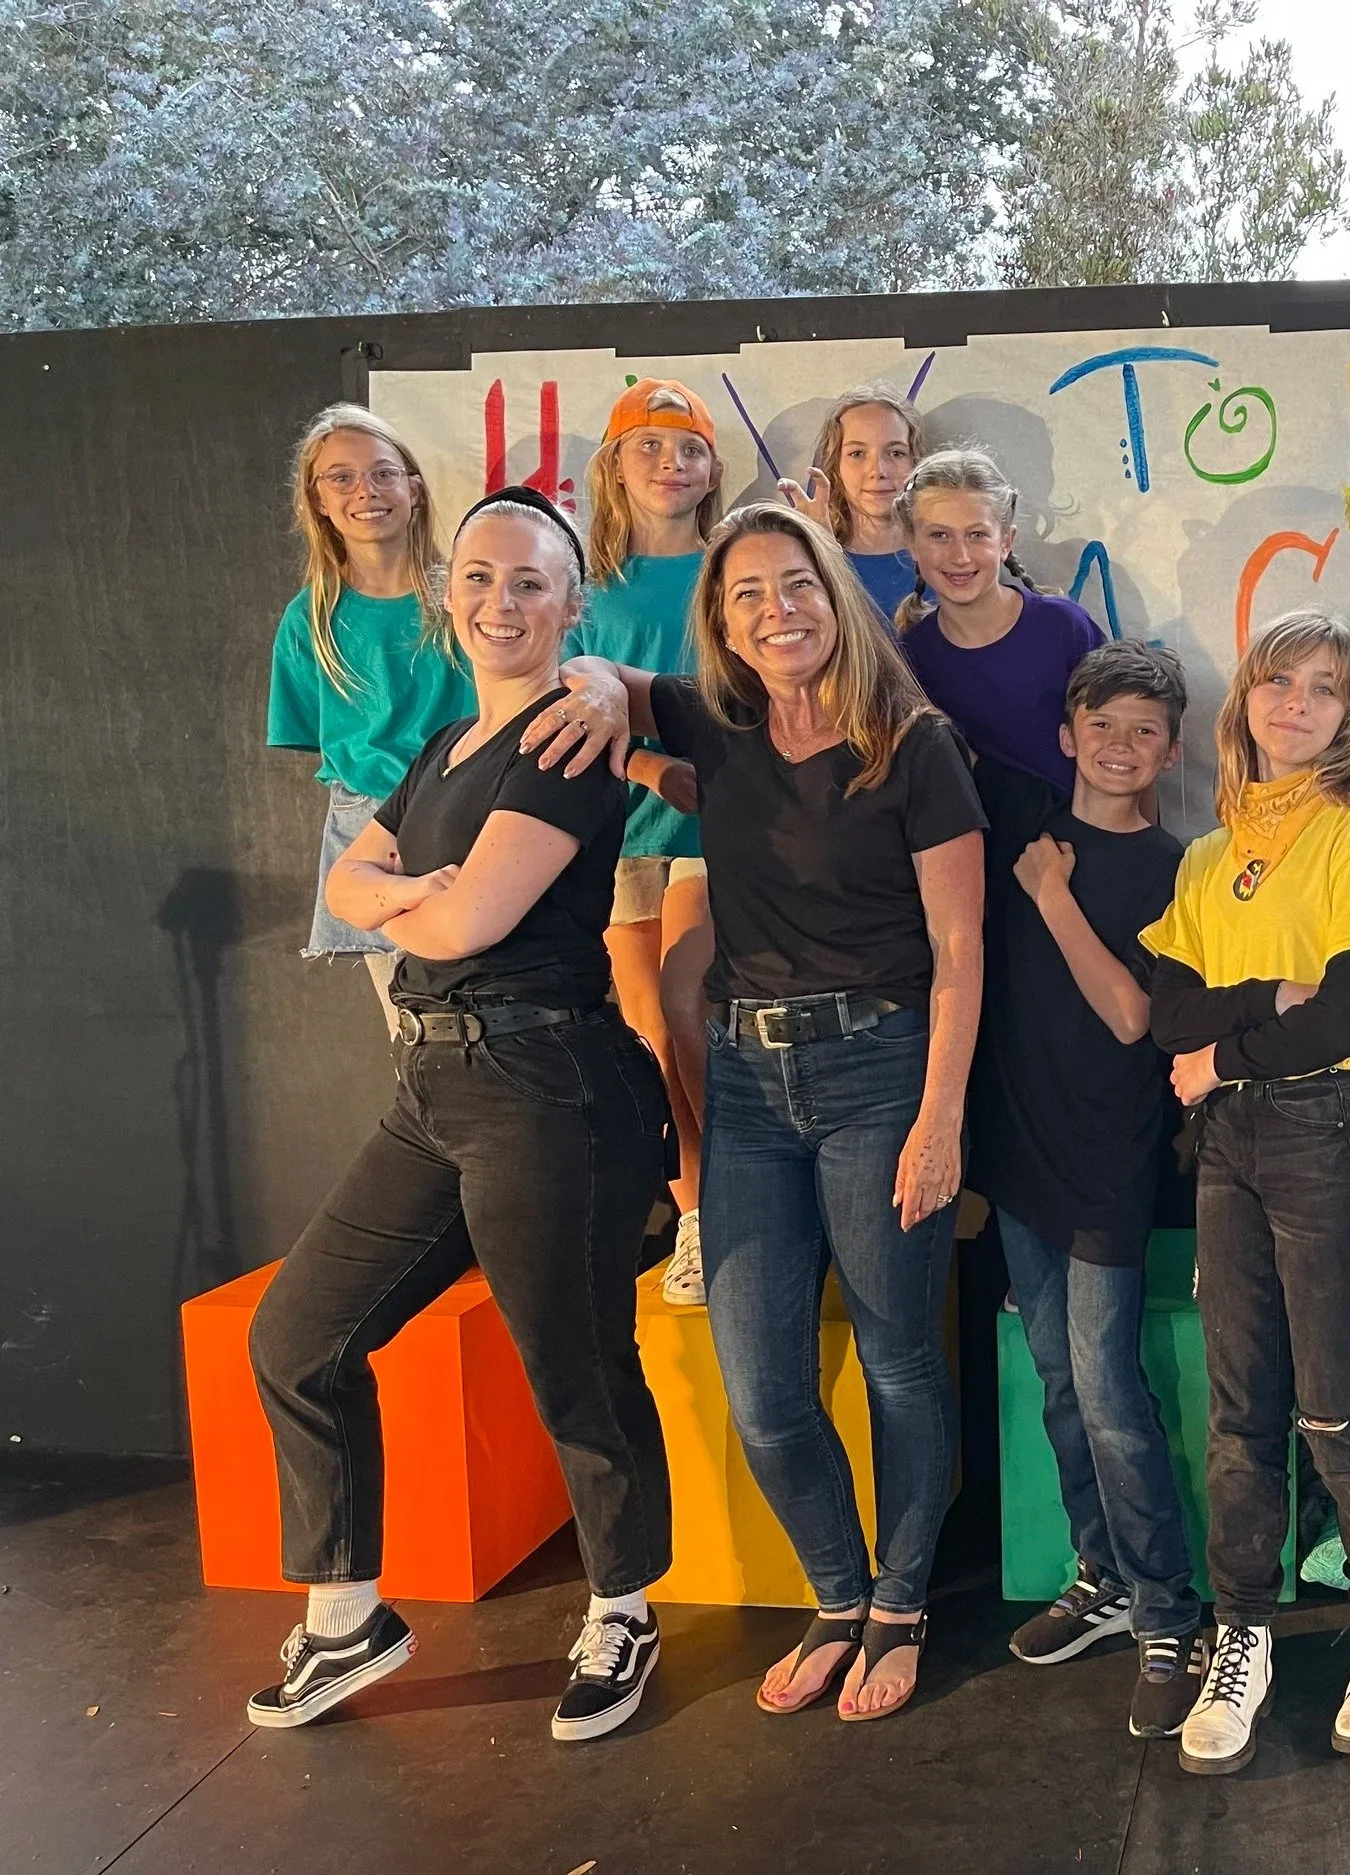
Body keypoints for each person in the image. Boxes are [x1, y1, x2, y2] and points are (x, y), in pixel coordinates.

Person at [245, 488, 675, 1743]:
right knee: (296, 1338)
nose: (501, 601)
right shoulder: (444, 745)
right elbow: (342, 877)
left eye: (531, 582)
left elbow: (466, 922)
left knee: (574, 1366)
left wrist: (397, 897)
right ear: (447, 594)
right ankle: (345, 1618)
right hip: (431, 1085)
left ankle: (623, 1606)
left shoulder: (570, 741)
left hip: (548, 1088)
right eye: (480, 577)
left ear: (571, 605)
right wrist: (394, 892)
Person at [544, 502, 983, 1724]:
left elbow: (960, 948)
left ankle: (899, 1604)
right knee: (763, 1389)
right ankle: (837, 1596)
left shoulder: (914, 745)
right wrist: (612, 715)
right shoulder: (713, 721)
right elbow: (601, 678)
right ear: (723, 626)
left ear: (832, 593)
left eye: (795, 584)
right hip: (744, 1084)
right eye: (747, 595)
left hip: (881, 1070)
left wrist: (940, 1117)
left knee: (898, 1360)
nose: (776, 611)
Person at [1141, 611, 1350, 1776]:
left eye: (1323, 688)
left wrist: (1222, 1052)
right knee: (1239, 1407)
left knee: (1336, 1401)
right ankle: (1242, 1629)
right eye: (1277, 682)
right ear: (1245, 699)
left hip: (1324, 1131)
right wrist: (1265, 1002)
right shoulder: (1207, 855)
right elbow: (1166, 1015)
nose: (1296, 704)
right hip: (1228, 1144)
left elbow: (1349, 1013)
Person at [975, 642, 1204, 1741]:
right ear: (1066, 735)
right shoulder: (1019, 833)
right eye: (1101, 726)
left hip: (1111, 1161)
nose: (1120, 746)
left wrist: (1054, 898)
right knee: (1059, 1381)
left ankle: (1169, 1609)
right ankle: (1102, 1570)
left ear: (1171, 750)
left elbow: (1130, 1016)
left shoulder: (1172, 869)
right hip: (1021, 1156)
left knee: (1110, 1393)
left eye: (1144, 731)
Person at [572, 379, 723, 1306]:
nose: (672, 465)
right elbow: (564, 698)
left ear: (712, 469)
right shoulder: (583, 586)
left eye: (690, 448)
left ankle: (744, 1197)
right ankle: (697, 1215)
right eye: (650, 447)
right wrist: (645, 767)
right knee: (648, 1032)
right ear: (614, 467)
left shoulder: (731, 568)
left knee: (687, 1003)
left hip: (717, 829)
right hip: (624, 835)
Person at [266, 404, 468, 1027]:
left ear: (414, 488)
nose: (366, 491)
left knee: (485, 997)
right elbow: (314, 734)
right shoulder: (309, 620)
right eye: (342, 478)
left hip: (468, 808)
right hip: (368, 827)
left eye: (383, 473)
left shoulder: (466, 599)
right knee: (412, 1024)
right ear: (318, 500)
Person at [894, 449, 1106, 793]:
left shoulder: (1064, 627)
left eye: (977, 534)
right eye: (939, 535)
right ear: (912, 544)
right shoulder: (911, 659)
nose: (960, 556)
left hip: (1091, 823)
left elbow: (1130, 739)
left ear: (1006, 542)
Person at [779, 386, 929, 623]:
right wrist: (820, 551)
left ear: (916, 462)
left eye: (896, 453)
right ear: (835, 466)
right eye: (857, 454)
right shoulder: (806, 565)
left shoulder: (944, 557)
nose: (878, 471)